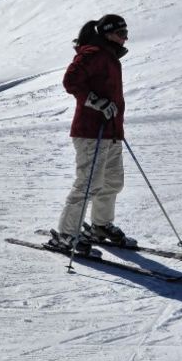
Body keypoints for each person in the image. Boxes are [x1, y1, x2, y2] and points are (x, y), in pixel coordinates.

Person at [47, 14, 134, 255]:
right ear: (107, 33)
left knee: (112, 182)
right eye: (120, 33)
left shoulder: (110, 57)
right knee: (88, 184)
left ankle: (100, 226)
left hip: (111, 132)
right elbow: (70, 81)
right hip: (90, 132)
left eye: (126, 33)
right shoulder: (94, 53)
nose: (125, 38)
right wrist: (96, 102)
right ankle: (66, 234)